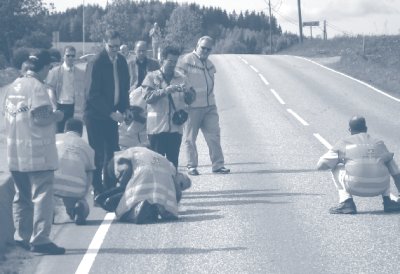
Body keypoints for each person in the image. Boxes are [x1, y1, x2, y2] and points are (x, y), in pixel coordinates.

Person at [3, 49, 65, 255]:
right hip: (37, 152)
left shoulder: (13, 87)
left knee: (21, 196)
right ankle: (40, 239)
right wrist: (57, 115)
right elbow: (40, 116)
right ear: (45, 67)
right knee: (42, 195)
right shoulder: (38, 88)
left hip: (14, 153)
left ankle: (23, 235)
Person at [317, 115, 400, 214]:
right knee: (385, 164)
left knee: (336, 167)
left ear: (350, 129)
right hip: (380, 187)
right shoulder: (379, 143)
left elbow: (321, 165)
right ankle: (388, 201)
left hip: (355, 187)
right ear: (366, 129)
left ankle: (346, 202)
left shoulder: (344, 143)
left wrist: (342, 161)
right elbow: (396, 173)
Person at [84, 29, 130, 196]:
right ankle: (97, 189)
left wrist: (126, 108)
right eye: (112, 46)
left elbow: (124, 88)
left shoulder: (122, 62)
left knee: (111, 152)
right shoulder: (96, 62)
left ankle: (109, 188)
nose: (115, 50)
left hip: (112, 114)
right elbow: (92, 95)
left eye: (118, 46)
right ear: (105, 44)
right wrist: (111, 113)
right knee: (98, 154)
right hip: (95, 116)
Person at [176, 36, 230, 176]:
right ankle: (191, 166)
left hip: (210, 106)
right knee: (190, 139)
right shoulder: (185, 61)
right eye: (203, 48)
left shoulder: (210, 64)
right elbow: (178, 80)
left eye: (208, 49)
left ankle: (218, 165)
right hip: (192, 107)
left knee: (214, 136)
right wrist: (184, 100)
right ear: (197, 46)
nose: (205, 51)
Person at [95, 147, 192, 224]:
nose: (179, 188)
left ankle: (142, 208)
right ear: (179, 174)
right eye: (181, 184)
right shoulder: (171, 170)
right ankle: (136, 211)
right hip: (128, 165)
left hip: (133, 166)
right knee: (123, 211)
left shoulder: (165, 162)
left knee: (129, 195)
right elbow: (170, 211)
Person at [142, 45, 196, 168]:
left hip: (175, 129)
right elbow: (147, 98)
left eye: (175, 61)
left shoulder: (182, 78)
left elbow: (191, 99)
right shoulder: (151, 77)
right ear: (162, 59)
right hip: (156, 130)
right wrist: (165, 91)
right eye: (170, 61)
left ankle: (171, 187)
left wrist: (187, 93)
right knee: (156, 165)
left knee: (173, 165)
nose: (172, 64)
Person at [53, 118, 95, 225]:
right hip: (76, 188)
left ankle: (50, 212)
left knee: (49, 200)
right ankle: (79, 206)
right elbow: (90, 172)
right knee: (89, 171)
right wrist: (84, 194)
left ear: (65, 129)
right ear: (80, 132)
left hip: (52, 184)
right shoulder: (87, 147)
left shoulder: (54, 138)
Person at [46, 46, 86, 132]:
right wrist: (54, 107)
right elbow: (50, 89)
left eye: (73, 56)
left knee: (74, 134)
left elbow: (84, 91)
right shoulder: (55, 71)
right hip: (61, 106)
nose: (70, 58)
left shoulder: (81, 73)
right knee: (59, 133)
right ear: (63, 56)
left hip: (75, 108)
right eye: (68, 55)